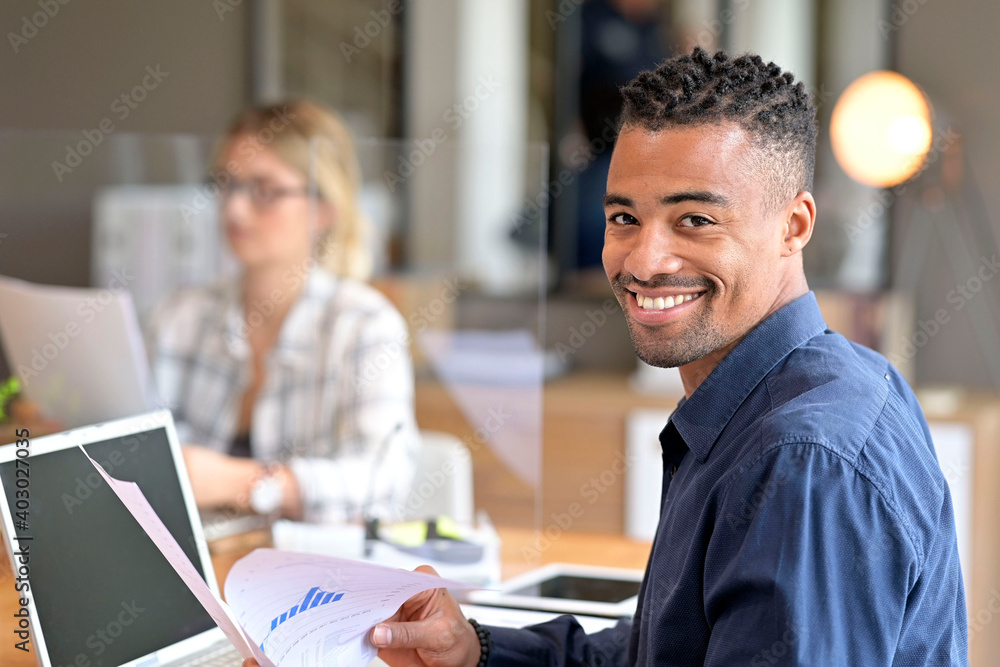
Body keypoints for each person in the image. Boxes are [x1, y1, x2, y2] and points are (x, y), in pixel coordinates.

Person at [147, 99, 419, 522]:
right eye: (226, 184)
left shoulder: (365, 325)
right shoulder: (180, 317)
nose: (234, 209)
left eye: (264, 190)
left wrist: (242, 483)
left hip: (318, 577)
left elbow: (383, 480)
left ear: (323, 210)